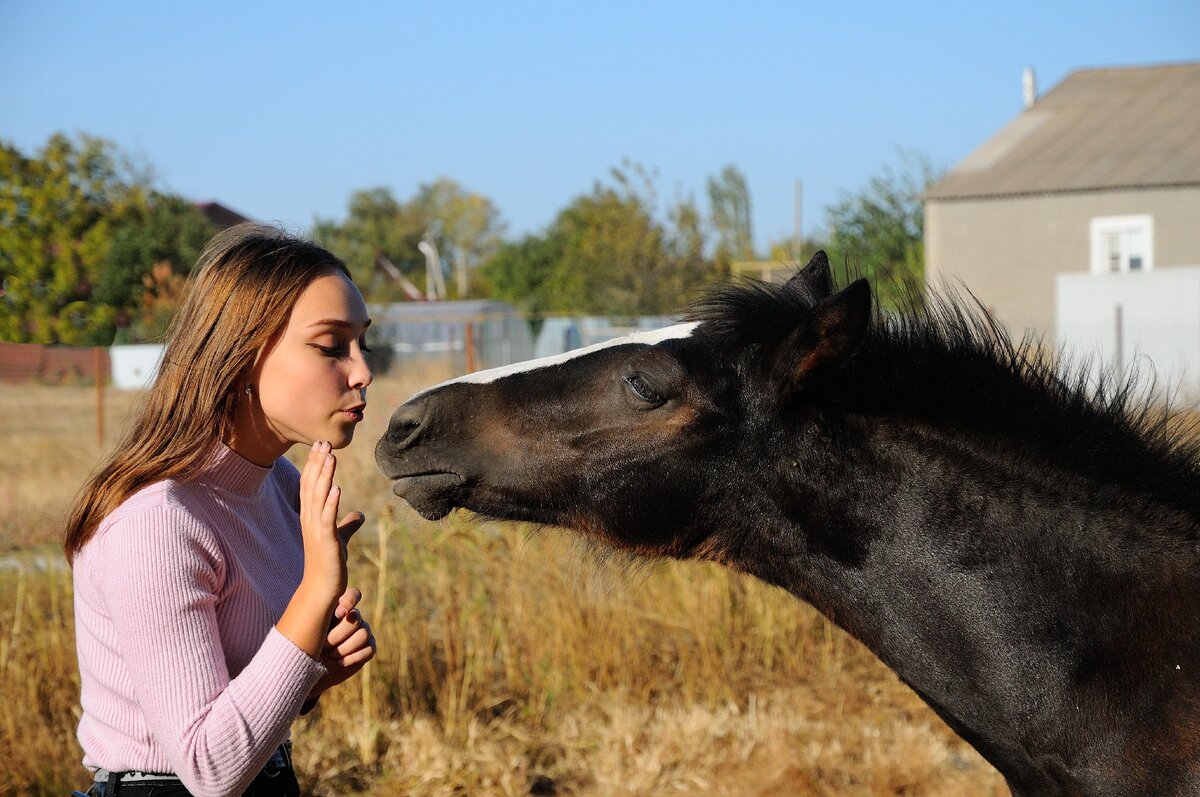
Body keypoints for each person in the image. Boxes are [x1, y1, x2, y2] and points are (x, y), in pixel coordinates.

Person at [64, 224, 378, 797]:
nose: (362, 371)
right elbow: (209, 770)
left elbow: (241, 713)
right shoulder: (155, 524)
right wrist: (315, 589)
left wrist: (314, 671)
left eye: (362, 343)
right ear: (242, 355)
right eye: (332, 346)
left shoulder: (280, 488)